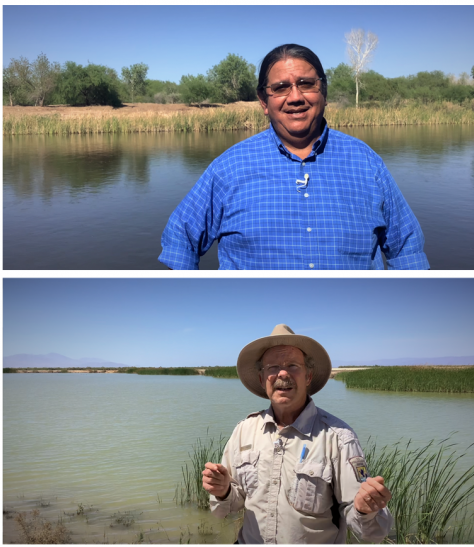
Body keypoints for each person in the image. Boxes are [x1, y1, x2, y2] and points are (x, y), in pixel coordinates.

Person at [159, 44, 428, 270]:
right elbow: (180, 240)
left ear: (324, 92)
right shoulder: (229, 168)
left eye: (306, 84)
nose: (295, 97)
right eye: (280, 88)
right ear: (264, 102)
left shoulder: (367, 164)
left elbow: (407, 250)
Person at [202, 324, 393, 543]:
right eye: (272, 367)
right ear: (262, 378)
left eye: (293, 365)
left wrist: (365, 510)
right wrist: (223, 490)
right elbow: (225, 509)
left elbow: (371, 533)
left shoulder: (339, 437)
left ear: (308, 375)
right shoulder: (244, 431)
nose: (282, 373)